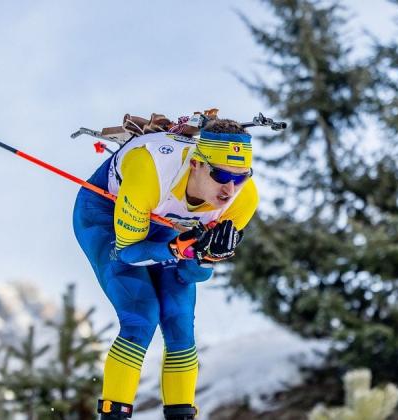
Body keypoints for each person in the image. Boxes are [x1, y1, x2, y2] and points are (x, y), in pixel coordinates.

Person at [72, 118, 258, 419]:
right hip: (106, 216)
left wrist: (205, 258)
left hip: (166, 222)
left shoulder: (243, 199)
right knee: (141, 315)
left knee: (179, 321)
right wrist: (176, 249)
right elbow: (128, 253)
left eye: (241, 177)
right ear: (196, 164)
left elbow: (191, 275)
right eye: (221, 174)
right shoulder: (149, 171)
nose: (229, 189)